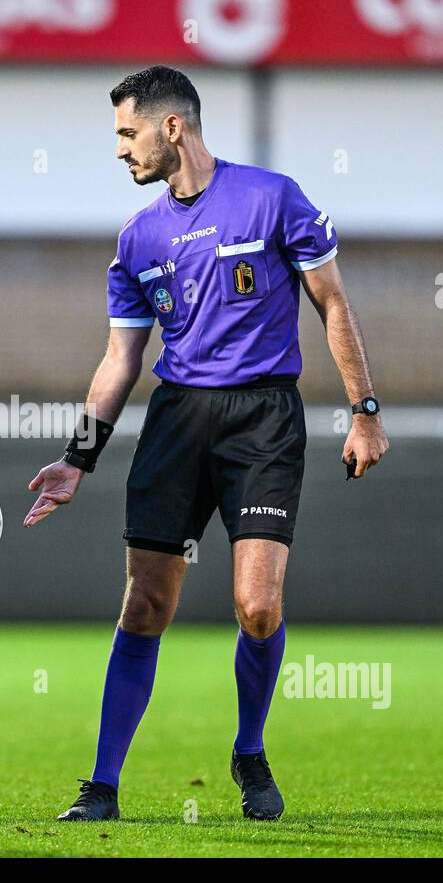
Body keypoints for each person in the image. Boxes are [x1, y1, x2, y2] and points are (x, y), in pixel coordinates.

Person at [24, 66, 388, 822]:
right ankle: (101, 788)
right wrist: (76, 457)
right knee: (145, 605)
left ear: (172, 129)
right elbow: (120, 360)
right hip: (178, 420)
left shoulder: (272, 197)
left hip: (264, 420)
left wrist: (364, 410)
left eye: (127, 134)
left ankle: (249, 752)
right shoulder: (137, 238)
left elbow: (333, 304)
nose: (120, 150)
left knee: (257, 607)